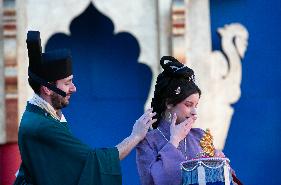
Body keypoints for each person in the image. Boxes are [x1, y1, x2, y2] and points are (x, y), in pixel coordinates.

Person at [13, 31, 156, 185]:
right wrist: (135, 136)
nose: (73, 88)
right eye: (67, 83)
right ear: (47, 89)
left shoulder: (41, 115)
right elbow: (93, 161)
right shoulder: (42, 125)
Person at [136, 56, 230, 185]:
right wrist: (174, 141)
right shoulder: (148, 141)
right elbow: (152, 181)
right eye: (188, 104)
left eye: (196, 106)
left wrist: (219, 166)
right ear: (169, 103)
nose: (194, 112)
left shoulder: (201, 136)